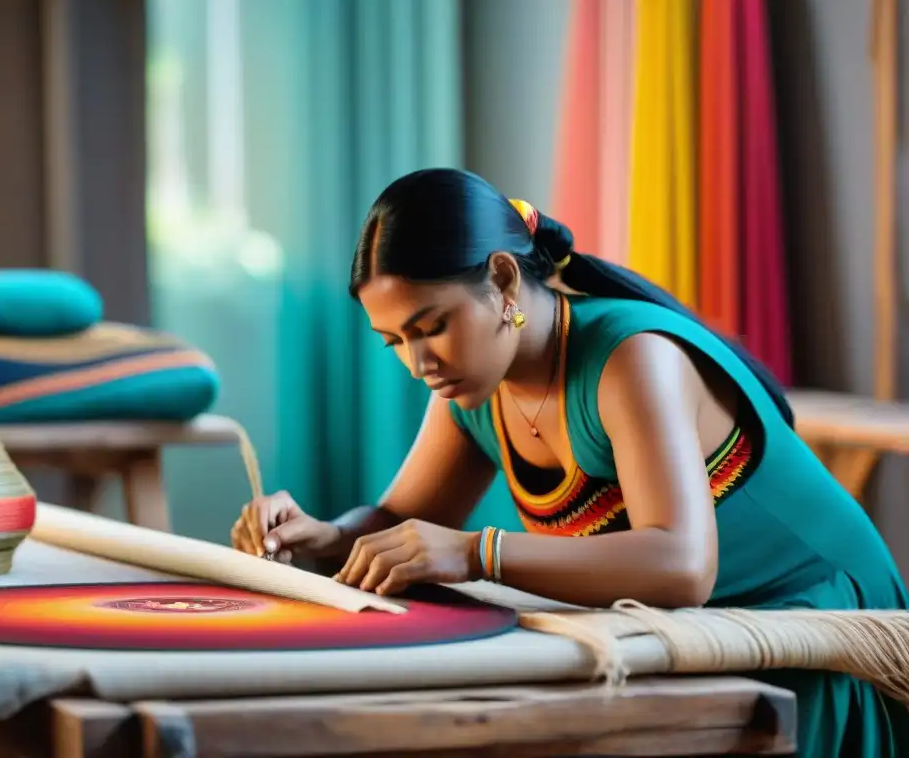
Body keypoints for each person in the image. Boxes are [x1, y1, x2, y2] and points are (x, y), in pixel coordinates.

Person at [230, 168, 909, 757]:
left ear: (500, 279)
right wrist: (324, 536)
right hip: (701, 633)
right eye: (395, 342)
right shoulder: (474, 384)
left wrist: (478, 552)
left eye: (432, 326)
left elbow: (681, 566)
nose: (419, 362)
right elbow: (401, 519)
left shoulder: (631, 359)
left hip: (815, 630)